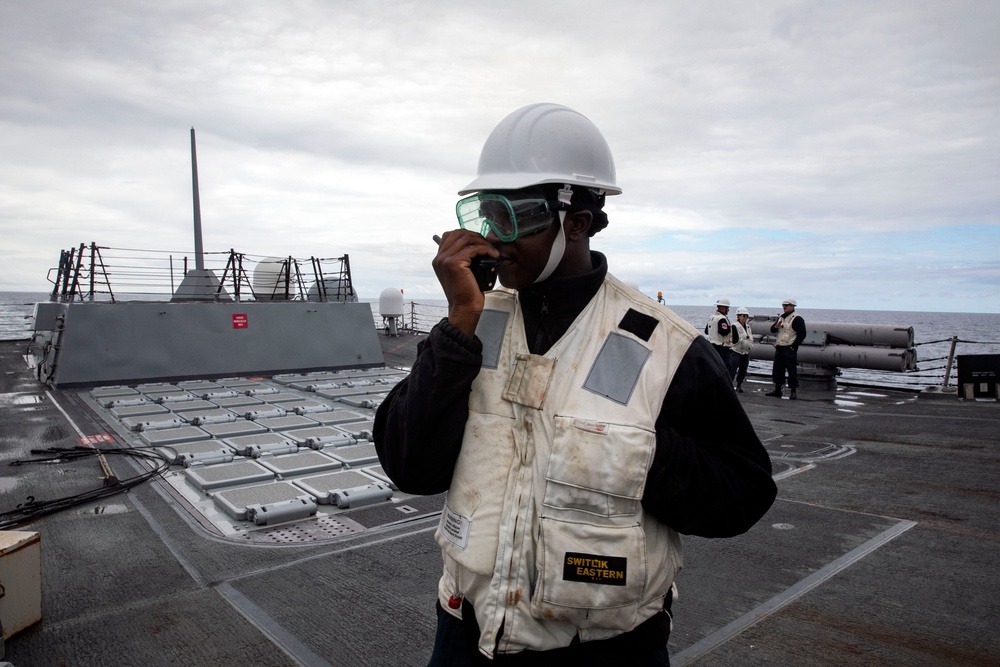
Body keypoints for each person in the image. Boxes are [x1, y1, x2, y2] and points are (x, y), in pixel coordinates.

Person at [373, 103, 776, 665]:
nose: (496, 239)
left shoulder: (663, 345)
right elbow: (410, 467)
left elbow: (745, 493)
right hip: (465, 637)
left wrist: (630, 455)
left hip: (605, 650)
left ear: (577, 223)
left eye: (515, 220)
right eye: (488, 216)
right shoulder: (472, 328)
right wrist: (457, 324)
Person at [766, 298, 806, 399]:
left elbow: (802, 334)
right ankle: (778, 389)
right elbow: (772, 330)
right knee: (778, 369)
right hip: (780, 347)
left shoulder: (797, 318)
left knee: (791, 370)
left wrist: (793, 347)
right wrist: (776, 326)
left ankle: (793, 391)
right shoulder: (781, 318)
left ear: (793, 306)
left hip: (789, 348)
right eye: (783, 305)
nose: (784, 307)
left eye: (786, 305)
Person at [704, 298, 738, 379]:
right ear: (723, 308)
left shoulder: (711, 318)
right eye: (727, 308)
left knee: (714, 368)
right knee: (725, 369)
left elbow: (706, 331)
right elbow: (723, 331)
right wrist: (731, 329)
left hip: (712, 347)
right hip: (722, 348)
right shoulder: (721, 319)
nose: (728, 310)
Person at [731, 307, 753, 393]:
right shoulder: (734, 326)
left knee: (743, 370)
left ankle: (739, 385)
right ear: (738, 316)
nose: (744, 318)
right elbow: (734, 339)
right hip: (736, 351)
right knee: (733, 369)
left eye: (746, 316)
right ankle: (730, 385)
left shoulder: (748, 327)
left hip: (745, 351)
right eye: (743, 316)